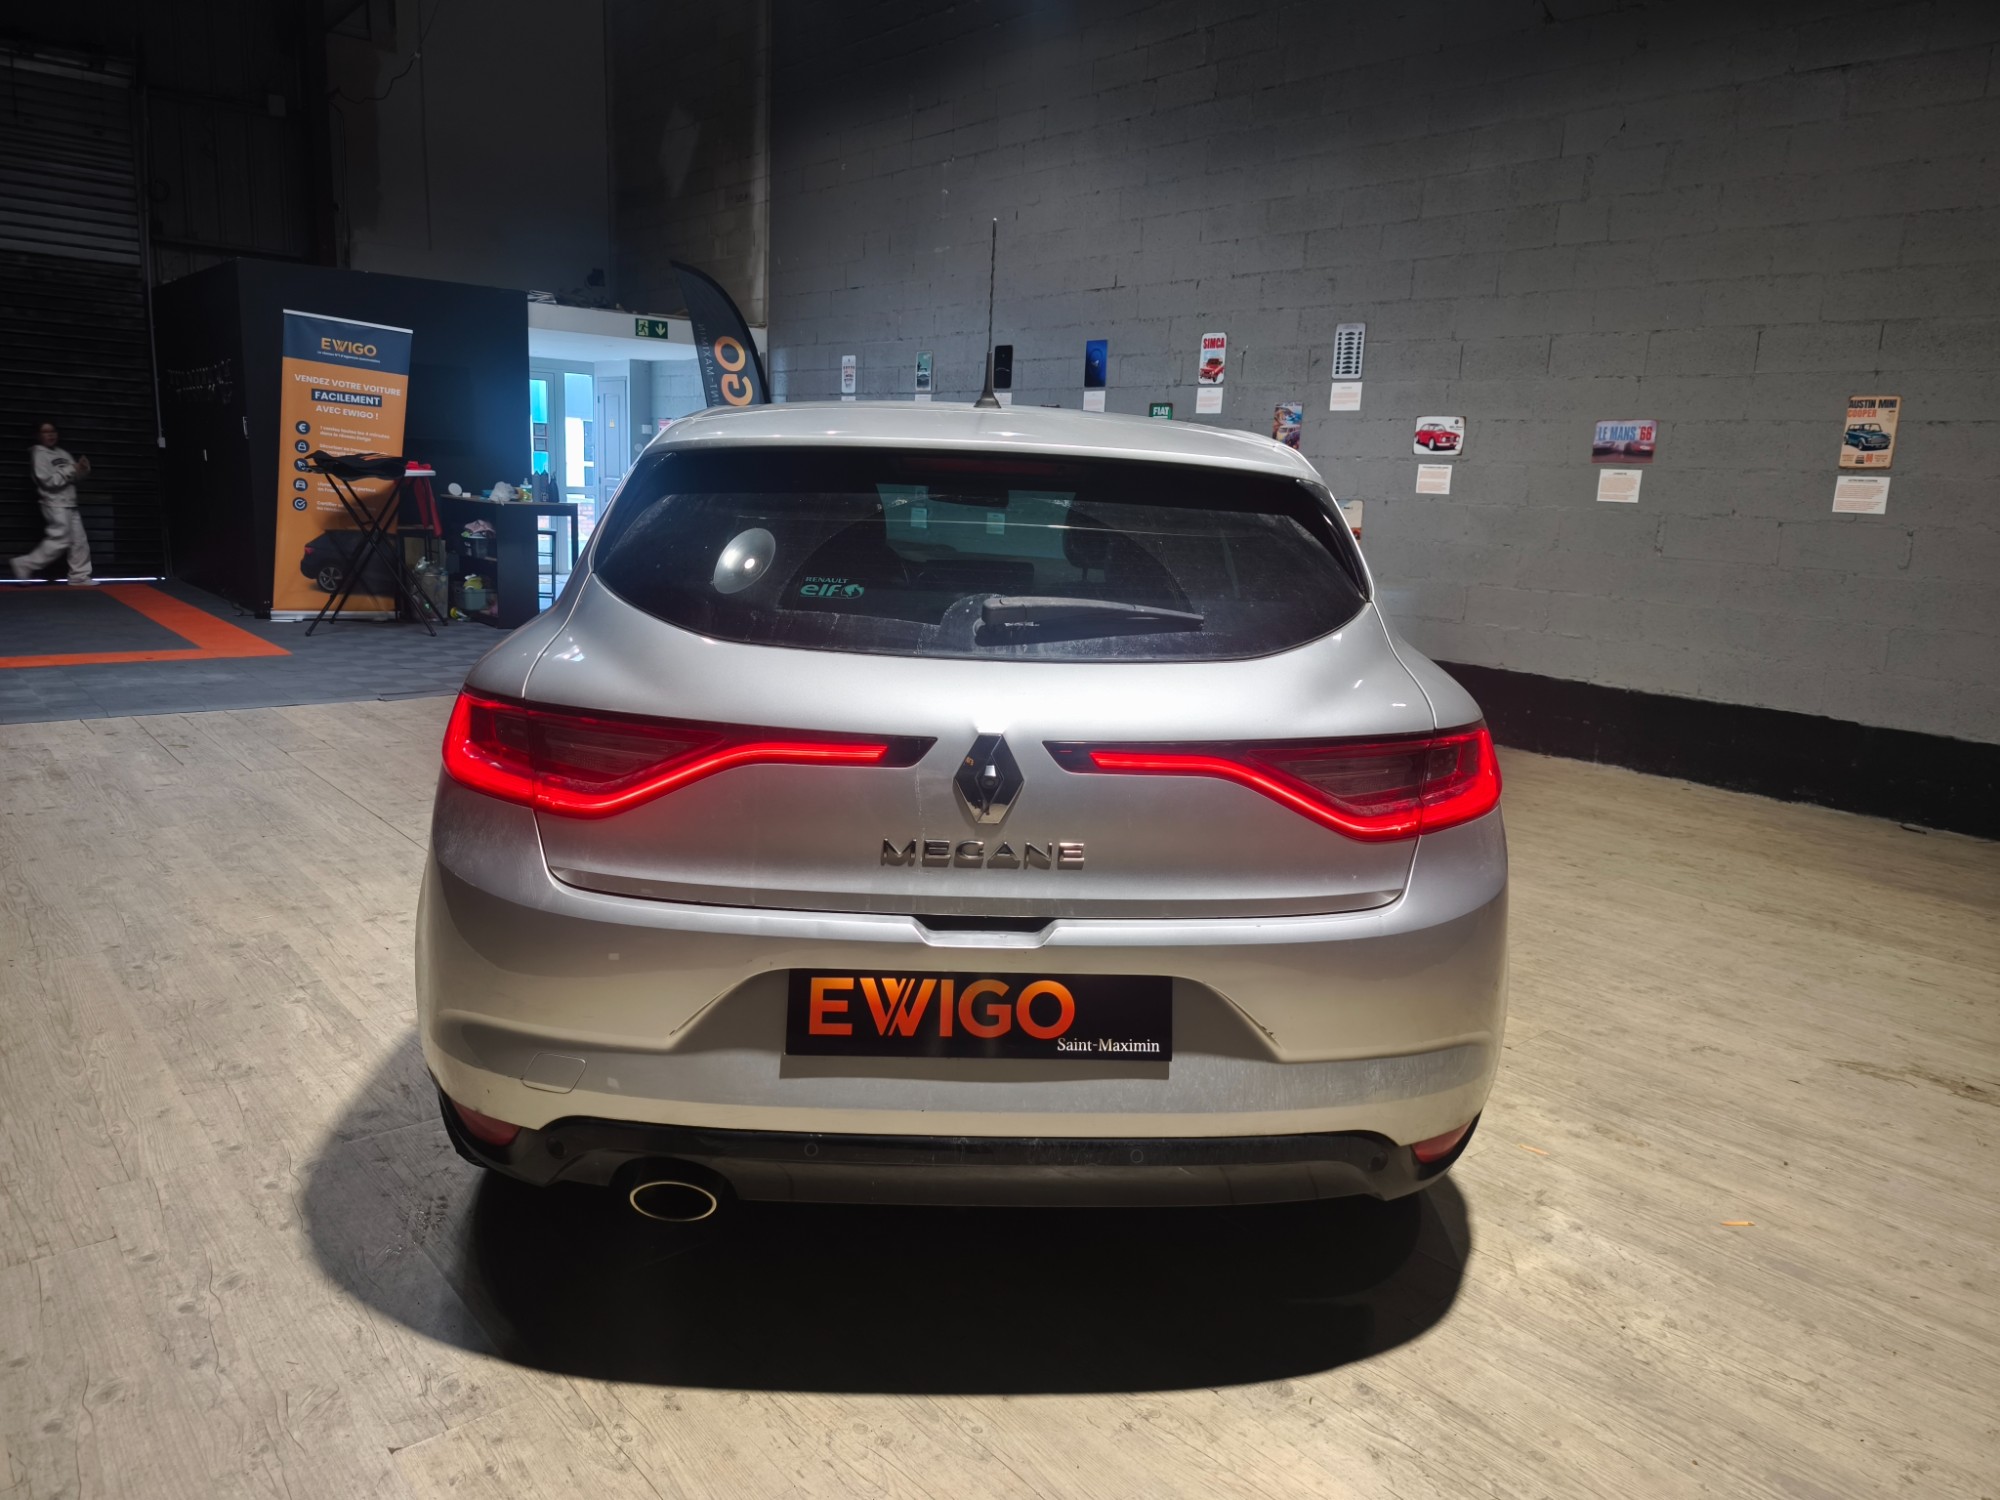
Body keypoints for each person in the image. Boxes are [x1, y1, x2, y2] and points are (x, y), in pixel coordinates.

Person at [11, 421, 94, 584]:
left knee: (79, 541)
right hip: (54, 503)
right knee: (60, 539)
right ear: (38, 435)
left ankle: (79, 575)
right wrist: (71, 469)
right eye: (45, 432)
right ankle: (24, 564)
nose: (50, 435)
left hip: (70, 502)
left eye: (53, 431)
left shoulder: (63, 453)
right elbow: (48, 482)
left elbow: (74, 478)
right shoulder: (38, 454)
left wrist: (82, 469)